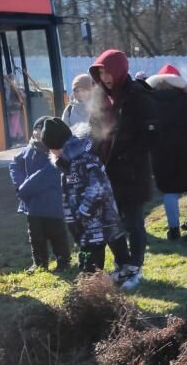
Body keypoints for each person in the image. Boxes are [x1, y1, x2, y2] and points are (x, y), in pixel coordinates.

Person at [88, 49, 158, 291]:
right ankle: (122, 265)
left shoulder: (137, 95)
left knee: (134, 223)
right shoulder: (99, 96)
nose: (105, 78)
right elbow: (93, 128)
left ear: (119, 70)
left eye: (108, 72)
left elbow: (151, 134)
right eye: (100, 73)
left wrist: (129, 155)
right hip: (105, 173)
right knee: (110, 223)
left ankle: (134, 269)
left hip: (132, 173)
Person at [40, 117, 134, 278]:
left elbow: (98, 187)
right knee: (88, 258)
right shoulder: (66, 164)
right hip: (86, 223)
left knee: (112, 252)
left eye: (50, 147)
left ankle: (124, 277)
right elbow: (70, 193)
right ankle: (95, 283)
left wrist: (83, 212)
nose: (50, 152)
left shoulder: (85, 159)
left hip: (103, 218)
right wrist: (72, 218)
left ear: (56, 146)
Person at [146, 65, 187, 241]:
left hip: (161, 149)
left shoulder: (149, 100)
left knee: (169, 189)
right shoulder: (184, 97)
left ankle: (173, 229)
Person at [9, 117, 72, 273]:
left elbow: (47, 175)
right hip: (32, 204)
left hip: (52, 202)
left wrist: (25, 188)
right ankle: (39, 263)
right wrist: (19, 184)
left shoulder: (54, 151)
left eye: (41, 129)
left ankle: (63, 262)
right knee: (36, 236)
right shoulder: (29, 149)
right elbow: (14, 165)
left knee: (57, 234)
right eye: (36, 128)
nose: (38, 132)